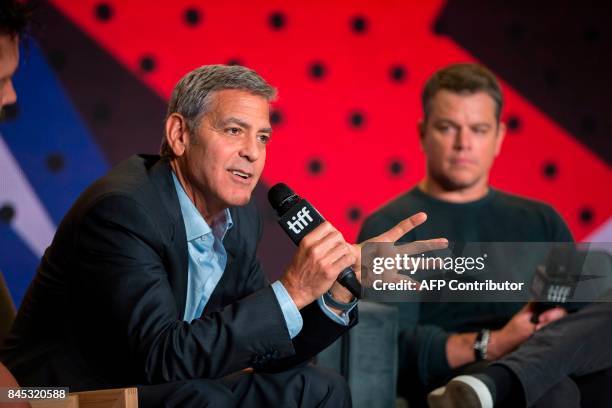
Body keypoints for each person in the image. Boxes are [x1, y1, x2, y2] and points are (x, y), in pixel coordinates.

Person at [0, 64, 436, 407]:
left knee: (315, 388)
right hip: (51, 393)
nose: (253, 151)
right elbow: (162, 357)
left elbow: (261, 348)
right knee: (202, 397)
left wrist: (339, 291)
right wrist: (294, 287)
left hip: (162, 385)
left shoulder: (238, 219)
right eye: (234, 131)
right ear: (179, 134)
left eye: (263, 136)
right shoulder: (124, 209)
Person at [358, 63, 612, 407]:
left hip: (548, 358)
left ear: (499, 137)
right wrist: (495, 342)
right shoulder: (390, 228)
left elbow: (585, 305)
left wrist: (561, 320)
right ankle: (495, 382)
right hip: (455, 377)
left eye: (478, 129)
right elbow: (388, 347)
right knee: (552, 393)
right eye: (448, 128)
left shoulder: (542, 220)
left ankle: (501, 381)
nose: (463, 143)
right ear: (422, 133)